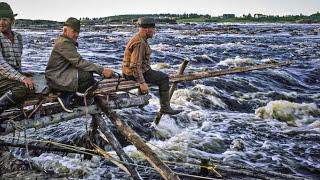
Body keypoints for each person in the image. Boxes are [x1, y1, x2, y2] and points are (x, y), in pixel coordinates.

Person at [45, 17, 114, 112]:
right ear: (65, 30)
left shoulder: (65, 41)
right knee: (87, 76)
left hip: (59, 73)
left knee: (89, 77)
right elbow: (79, 62)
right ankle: (66, 97)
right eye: (74, 31)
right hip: (55, 77)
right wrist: (101, 70)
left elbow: (77, 62)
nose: (77, 34)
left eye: (78, 32)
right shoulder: (64, 43)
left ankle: (77, 98)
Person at [122, 17, 182, 115]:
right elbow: (135, 66)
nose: (154, 32)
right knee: (164, 78)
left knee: (155, 73)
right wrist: (142, 83)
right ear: (147, 29)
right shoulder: (139, 43)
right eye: (153, 29)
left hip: (130, 72)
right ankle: (165, 107)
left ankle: (141, 104)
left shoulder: (140, 39)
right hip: (132, 73)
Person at [0, 2, 34, 114]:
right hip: (1, 78)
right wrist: (22, 78)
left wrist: (23, 75)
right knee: (23, 88)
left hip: (11, 78)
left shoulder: (18, 37)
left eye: (4, 19)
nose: (1, 22)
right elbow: (1, 65)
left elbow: (17, 63)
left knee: (37, 83)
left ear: (12, 21)